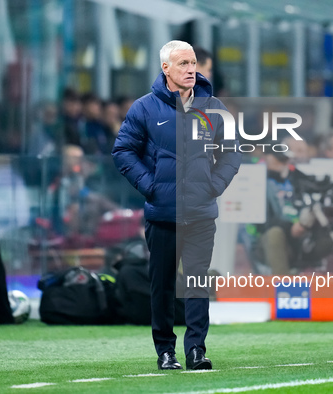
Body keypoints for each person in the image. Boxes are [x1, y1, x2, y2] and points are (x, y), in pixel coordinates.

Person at [112, 40, 241, 370]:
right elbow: (123, 151)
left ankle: (196, 349)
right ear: (166, 68)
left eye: (194, 62)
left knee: (197, 282)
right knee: (163, 284)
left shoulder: (214, 107)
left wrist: (212, 186)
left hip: (201, 213)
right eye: (183, 63)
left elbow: (232, 152)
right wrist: (150, 186)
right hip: (162, 212)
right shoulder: (144, 108)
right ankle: (165, 351)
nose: (191, 69)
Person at [254, 150, 315, 275]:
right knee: (274, 234)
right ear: (266, 158)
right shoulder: (255, 179)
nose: (282, 163)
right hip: (265, 239)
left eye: (284, 159)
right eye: (278, 159)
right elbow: (262, 222)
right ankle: (285, 288)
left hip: (299, 235)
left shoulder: (296, 177)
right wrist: (291, 227)